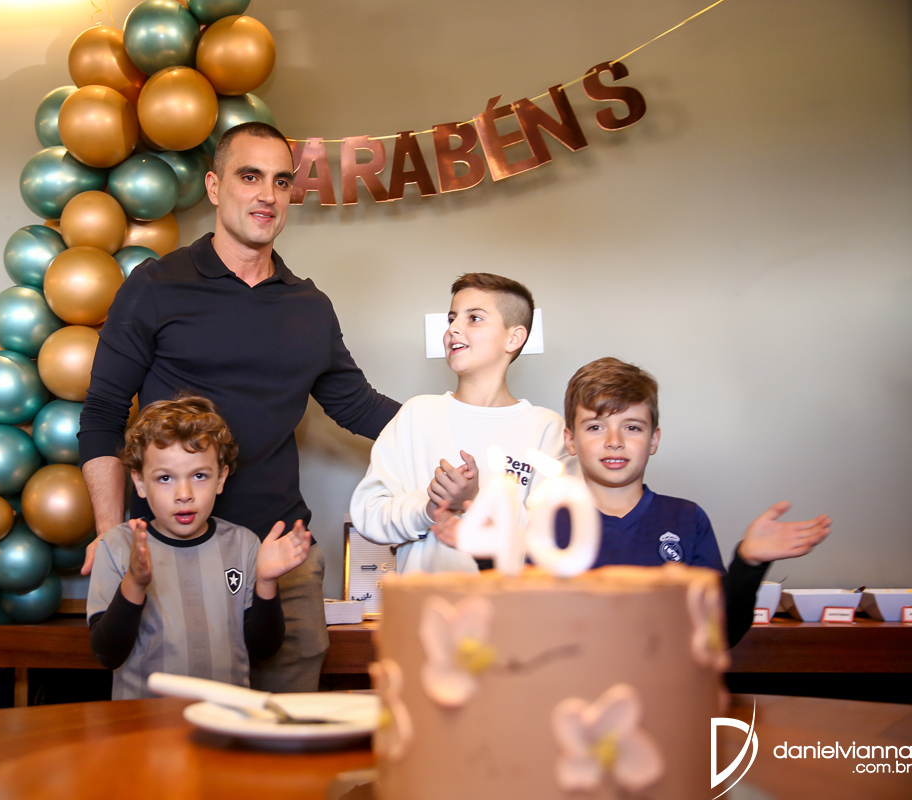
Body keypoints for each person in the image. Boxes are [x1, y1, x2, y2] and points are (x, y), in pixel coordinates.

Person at [78, 122, 400, 692]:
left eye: (281, 181)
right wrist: (112, 537)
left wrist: (460, 425)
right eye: (249, 177)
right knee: (172, 736)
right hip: (172, 555)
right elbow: (103, 412)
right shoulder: (156, 286)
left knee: (287, 737)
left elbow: (359, 406)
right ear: (213, 186)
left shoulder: (308, 305)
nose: (266, 195)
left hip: (281, 554)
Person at [550, 357, 830, 645]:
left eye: (632, 427)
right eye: (595, 427)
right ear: (570, 440)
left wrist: (748, 563)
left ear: (653, 439)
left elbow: (720, 633)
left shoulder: (686, 519)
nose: (614, 441)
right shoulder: (550, 525)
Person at [86, 395, 310, 700]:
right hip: (142, 721)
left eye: (200, 476)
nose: (184, 494)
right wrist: (134, 584)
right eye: (165, 478)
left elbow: (263, 650)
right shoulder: (117, 545)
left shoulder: (243, 544)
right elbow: (107, 654)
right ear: (139, 482)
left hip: (224, 718)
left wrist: (266, 582)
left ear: (221, 478)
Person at [350, 273, 569, 573]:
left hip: (510, 601)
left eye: (474, 318)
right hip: (423, 600)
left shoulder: (547, 429)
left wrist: (475, 500)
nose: (453, 328)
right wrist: (430, 506)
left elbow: (557, 535)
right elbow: (369, 514)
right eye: (451, 319)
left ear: (514, 338)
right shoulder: (416, 414)